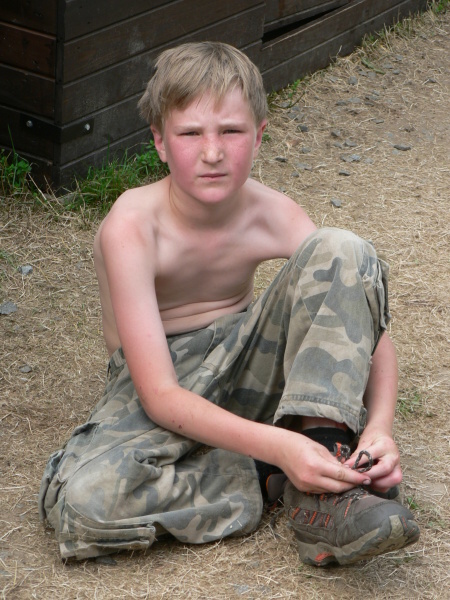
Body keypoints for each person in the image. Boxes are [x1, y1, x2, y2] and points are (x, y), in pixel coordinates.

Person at [39, 41, 419, 566]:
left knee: (343, 248)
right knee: (86, 502)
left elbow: (361, 318)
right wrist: (278, 449)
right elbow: (160, 395)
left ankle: (330, 478)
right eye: (190, 133)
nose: (212, 152)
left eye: (231, 132)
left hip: (247, 362)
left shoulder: (272, 213)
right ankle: (282, 475)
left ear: (259, 136)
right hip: (162, 380)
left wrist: (379, 427)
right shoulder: (132, 227)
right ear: (160, 142)